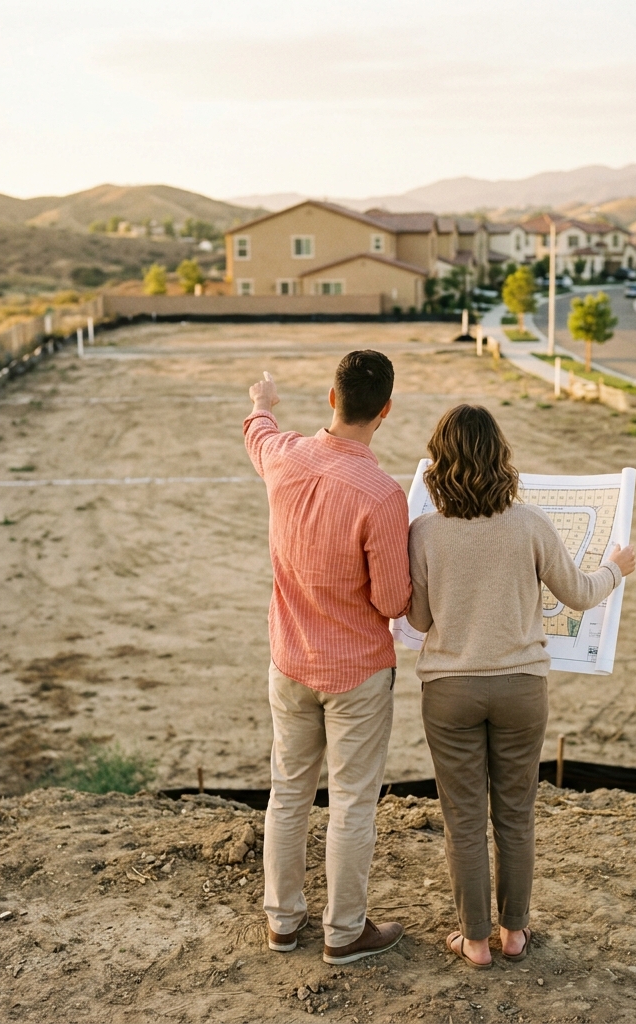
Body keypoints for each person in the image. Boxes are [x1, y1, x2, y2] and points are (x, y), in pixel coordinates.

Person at [406, 404, 636, 969]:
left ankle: (475, 941)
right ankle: (514, 933)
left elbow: (416, 620)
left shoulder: (424, 532)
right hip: (522, 689)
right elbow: (580, 594)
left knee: (463, 819)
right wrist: (617, 568)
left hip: (450, 691)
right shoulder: (531, 524)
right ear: (500, 458)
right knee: (515, 814)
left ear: (441, 463)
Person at [243, 351, 412, 966]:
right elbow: (393, 599)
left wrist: (262, 404)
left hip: (288, 660)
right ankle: (345, 933)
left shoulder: (283, 456)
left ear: (332, 397)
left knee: (288, 794)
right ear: (386, 410)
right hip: (358, 672)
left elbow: (258, 434)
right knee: (351, 802)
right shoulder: (384, 495)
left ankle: (282, 923)